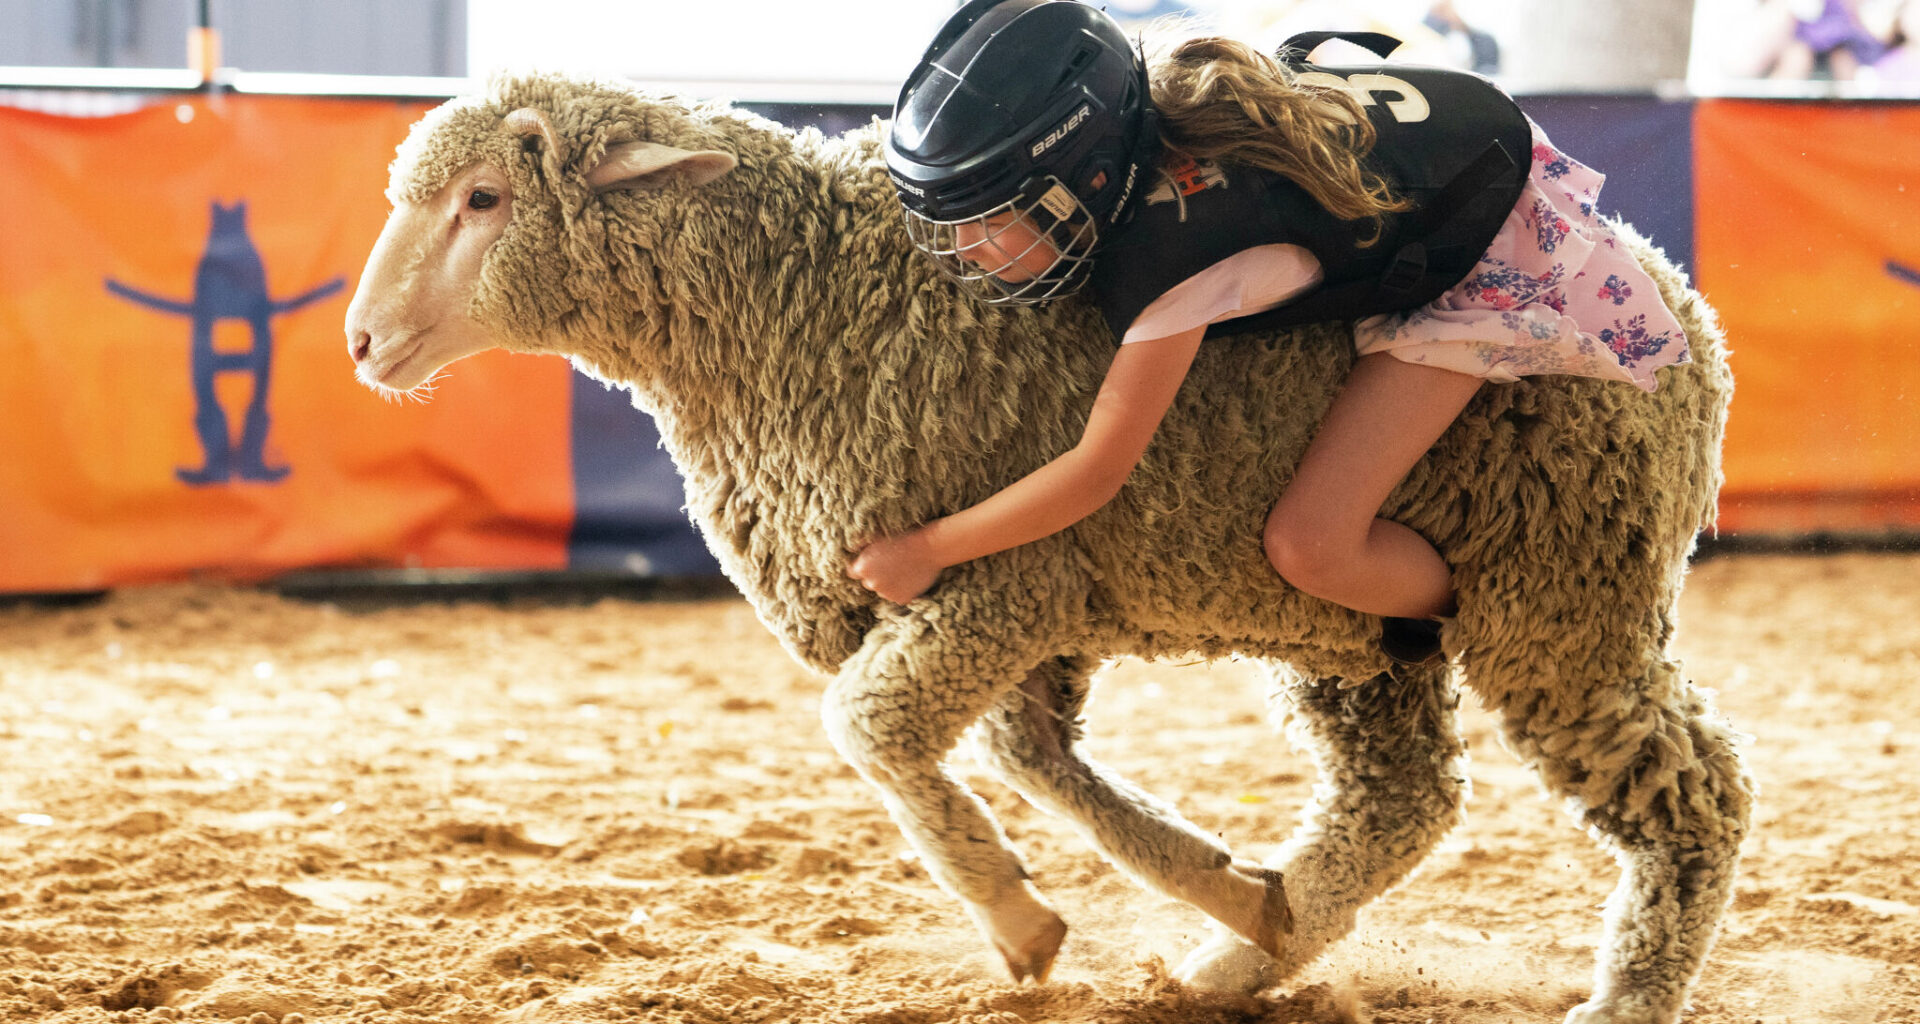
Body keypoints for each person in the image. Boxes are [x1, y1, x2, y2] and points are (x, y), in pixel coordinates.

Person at [849, 0, 1689, 665]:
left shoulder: (1180, 255)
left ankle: (1498, 615)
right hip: (1441, 140)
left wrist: (928, 548)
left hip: (1489, 227)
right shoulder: (1138, 132)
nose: (965, 248)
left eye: (995, 217)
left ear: (1094, 178)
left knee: (1311, 547)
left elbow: (1096, 470)